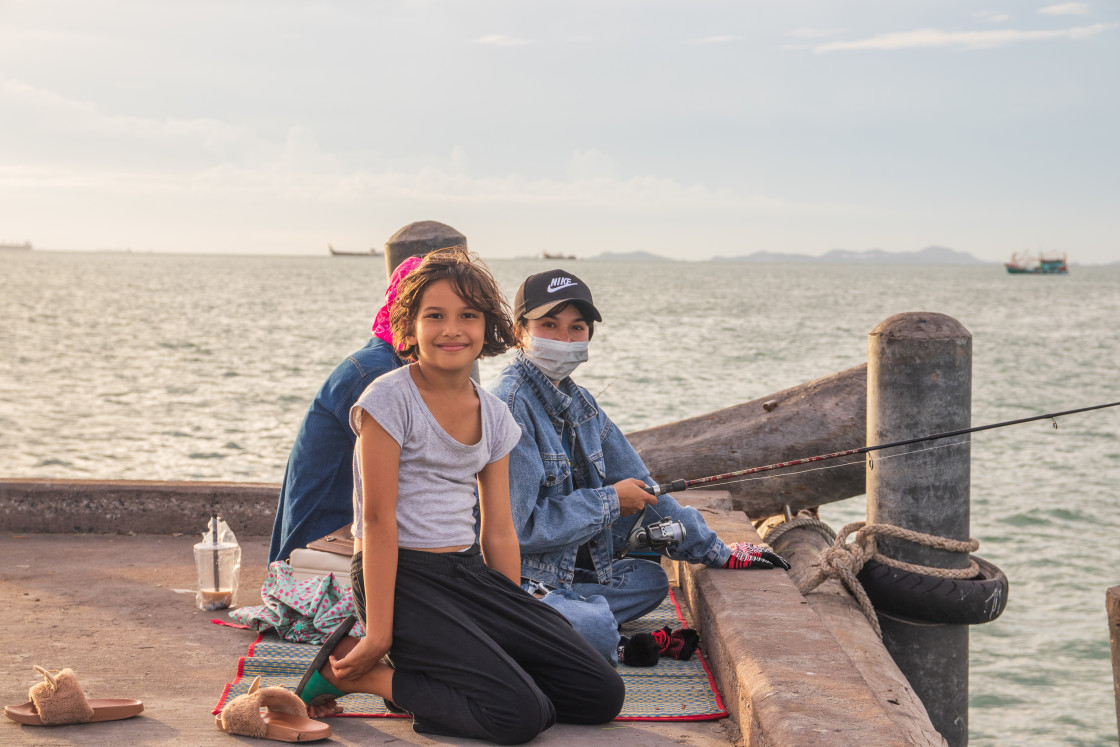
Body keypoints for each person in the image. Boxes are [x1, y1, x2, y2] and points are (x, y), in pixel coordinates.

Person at [293, 248, 624, 744]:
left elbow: (498, 530)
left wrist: (512, 618)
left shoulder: (495, 416)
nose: (452, 329)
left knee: (600, 693)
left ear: (488, 327)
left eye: (468, 316)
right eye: (435, 316)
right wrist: (379, 632)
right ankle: (356, 674)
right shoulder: (388, 399)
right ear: (409, 327)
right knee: (520, 716)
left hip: (467, 572)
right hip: (401, 577)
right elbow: (378, 522)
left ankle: (441, 678)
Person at [487, 269, 790, 664]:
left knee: (649, 581)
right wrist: (611, 501)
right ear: (518, 332)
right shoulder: (509, 406)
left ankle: (561, 628)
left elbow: (647, 490)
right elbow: (517, 529)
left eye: (576, 327)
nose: (564, 339)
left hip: (560, 574)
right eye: (549, 325)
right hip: (510, 580)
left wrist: (717, 551)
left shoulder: (582, 404)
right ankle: (590, 636)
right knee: (593, 629)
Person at [268, 256, 423, 563]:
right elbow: (417, 481)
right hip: (314, 558)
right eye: (433, 314)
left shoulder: (384, 359)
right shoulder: (377, 375)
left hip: (332, 541)